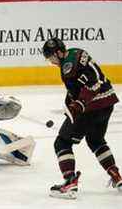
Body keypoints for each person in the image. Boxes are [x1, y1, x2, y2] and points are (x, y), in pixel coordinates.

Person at [42, 37, 122, 199]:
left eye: (51, 57)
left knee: (62, 142)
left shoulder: (67, 67)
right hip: (108, 102)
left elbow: (92, 84)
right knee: (96, 140)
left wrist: (79, 104)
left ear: (58, 52)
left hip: (91, 107)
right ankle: (116, 175)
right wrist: (70, 102)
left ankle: (70, 181)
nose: (51, 61)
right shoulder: (76, 53)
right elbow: (84, 83)